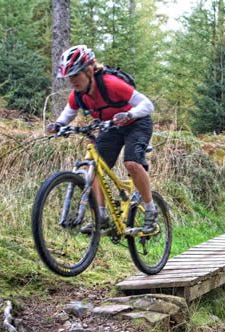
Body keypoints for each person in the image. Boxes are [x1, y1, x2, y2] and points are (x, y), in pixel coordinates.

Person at [47, 45, 157, 234]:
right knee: (92, 166)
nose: (72, 81)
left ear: (89, 70)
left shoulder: (111, 84)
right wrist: (57, 125)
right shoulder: (78, 94)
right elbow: (69, 112)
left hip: (137, 123)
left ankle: (150, 211)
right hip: (112, 126)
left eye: (75, 75)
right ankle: (101, 216)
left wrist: (129, 115)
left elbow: (147, 104)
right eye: (69, 77)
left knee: (132, 163)